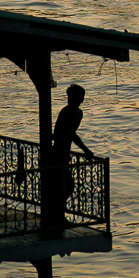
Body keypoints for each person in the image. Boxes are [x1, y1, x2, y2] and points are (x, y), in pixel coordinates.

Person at [52, 84, 94, 214]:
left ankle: (59, 212)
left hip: (65, 152)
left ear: (81, 99)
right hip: (58, 153)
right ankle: (58, 213)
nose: (71, 100)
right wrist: (85, 150)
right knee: (65, 185)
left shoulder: (78, 114)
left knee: (66, 186)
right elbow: (70, 134)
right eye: (70, 97)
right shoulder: (66, 112)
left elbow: (71, 134)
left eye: (74, 97)